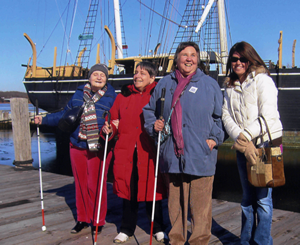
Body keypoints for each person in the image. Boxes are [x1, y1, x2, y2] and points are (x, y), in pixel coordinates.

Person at [143, 41, 224, 245]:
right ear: (177, 59)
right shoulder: (164, 84)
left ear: (198, 59)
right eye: (185, 54)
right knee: (175, 204)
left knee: (200, 206)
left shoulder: (209, 84)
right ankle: (177, 240)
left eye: (193, 55)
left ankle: (199, 241)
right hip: (173, 154)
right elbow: (149, 110)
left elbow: (220, 118)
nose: (189, 58)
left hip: (201, 154)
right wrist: (154, 126)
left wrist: (214, 140)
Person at [34, 64, 117, 234]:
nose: (99, 77)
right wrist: (43, 120)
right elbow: (65, 114)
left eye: (102, 75)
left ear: (106, 79)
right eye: (95, 74)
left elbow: (117, 119)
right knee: (80, 184)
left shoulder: (112, 97)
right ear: (89, 77)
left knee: (96, 185)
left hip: (99, 146)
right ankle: (83, 219)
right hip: (77, 144)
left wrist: (112, 129)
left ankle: (98, 220)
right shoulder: (79, 94)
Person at [222, 41, 283, 245]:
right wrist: (241, 139)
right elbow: (226, 115)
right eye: (234, 58)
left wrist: (245, 137)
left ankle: (263, 241)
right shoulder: (229, 85)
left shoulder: (263, 81)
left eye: (242, 59)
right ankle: (246, 241)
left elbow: (268, 116)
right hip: (242, 148)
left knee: (263, 200)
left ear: (250, 59)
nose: (238, 62)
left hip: (264, 146)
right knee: (247, 199)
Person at [102, 62, 168, 244]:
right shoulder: (123, 96)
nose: (137, 76)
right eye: (136, 72)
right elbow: (114, 119)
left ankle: (158, 227)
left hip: (149, 151)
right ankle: (126, 228)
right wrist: (109, 129)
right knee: (128, 190)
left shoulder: (158, 95)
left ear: (152, 78)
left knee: (152, 190)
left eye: (143, 73)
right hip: (127, 150)